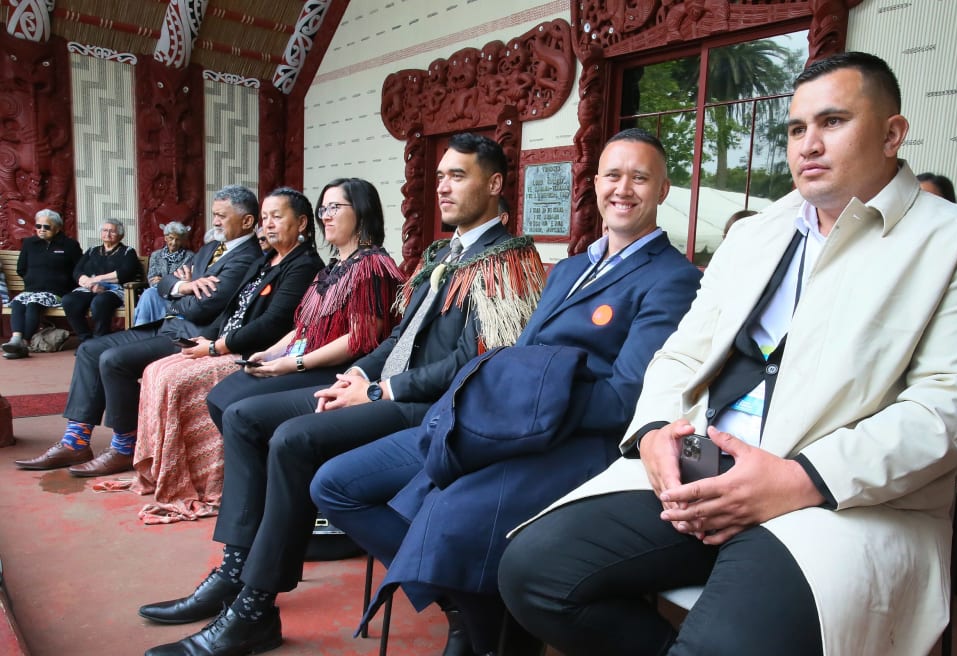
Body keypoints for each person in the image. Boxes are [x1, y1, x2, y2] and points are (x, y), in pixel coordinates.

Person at [499, 52, 957, 656]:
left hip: (837, 498)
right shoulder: (756, 233)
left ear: (892, 133)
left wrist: (797, 479)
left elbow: (952, 407)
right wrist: (650, 434)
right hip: (703, 467)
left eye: (833, 122)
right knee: (533, 573)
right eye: (798, 128)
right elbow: (679, 354)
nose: (809, 144)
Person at [138, 133, 548, 656]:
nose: (443, 187)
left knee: (292, 441)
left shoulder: (508, 260)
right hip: (390, 390)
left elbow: (477, 361)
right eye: (440, 176)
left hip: (437, 408)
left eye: (458, 176)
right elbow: (398, 339)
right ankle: (236, 571)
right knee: (243, 419)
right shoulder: (443, 253)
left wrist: (380, 388)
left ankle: (255, 608)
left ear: (494, 185)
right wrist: (356, 376)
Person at [311, 128, 702, 656]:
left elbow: (624, 397)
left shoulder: (671, 278)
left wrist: (527, 406)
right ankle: (473, 601)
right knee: (335, 484)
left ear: (663, 189)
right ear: (595, 183)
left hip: (576, 438)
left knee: (449, 513)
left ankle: (492, 633)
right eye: (612, 175)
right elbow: (518, 354)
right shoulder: (569, 269)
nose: (623, 188)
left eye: (640, 177)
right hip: (503, 422)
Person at [108, 179, 401, 523]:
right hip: (303, 357)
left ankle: (258, 508)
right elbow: (303, 326)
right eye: (323, 208)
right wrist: (273, 353)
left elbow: (359, 340)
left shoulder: (372, 266)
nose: (326, 216)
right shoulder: (336, 265)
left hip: (335, 370)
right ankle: (257, 492)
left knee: (239, 409)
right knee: (223, 395)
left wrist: (293, 364)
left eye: (335, 208)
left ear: (363, 211)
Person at [14, 185, 264, 473]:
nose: (215, 222)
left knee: (114, 360)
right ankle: (76, 442)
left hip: (194, 335)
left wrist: (177, 294)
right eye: (214, 215)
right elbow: (165, 282)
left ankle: (124, 446)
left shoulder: (248, 257)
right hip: (169, 325)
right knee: (89, 350)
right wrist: (183, 286)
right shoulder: (209, 248)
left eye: (221, 216)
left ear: (247, 221)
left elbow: (204, 308)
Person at [1, 210, 82, 360]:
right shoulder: (29, 243)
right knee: (18, 303)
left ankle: (23, 344)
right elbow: (21, 268)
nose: (42, 230)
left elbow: (79, 270)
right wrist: (33, 281)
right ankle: (16, 339)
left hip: (57, 291)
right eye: (39, 226)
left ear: (58, 228)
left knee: (33, 304)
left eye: (47, 227)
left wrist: (64, 284)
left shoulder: (70, 246)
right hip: (32, 289)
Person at [61, 219, 141, 342]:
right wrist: (89, 284)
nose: (107, 234)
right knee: (69, 301)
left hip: (115, 290)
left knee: (100, 302)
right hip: (89, 288)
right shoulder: (92, 250)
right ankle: (86, 340)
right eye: (105, 230)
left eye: (112, 231)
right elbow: (77, 271)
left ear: (120, 235)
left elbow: (124, 273)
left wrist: (97, 280)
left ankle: (100, 340)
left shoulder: (127, 252)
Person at [133, 221, 195, 326]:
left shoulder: (190, 256)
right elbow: (152, 279)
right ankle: (141, 328)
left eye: (178, 239)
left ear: (182, 240)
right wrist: (170, 282)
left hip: (178, 297)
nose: (174, 242)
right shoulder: (156, 255)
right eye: (171, 238)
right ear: (165, 238)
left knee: (149, 294)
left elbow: (184, 281)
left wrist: (163, 281)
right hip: (158, 292)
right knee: (148, 293)